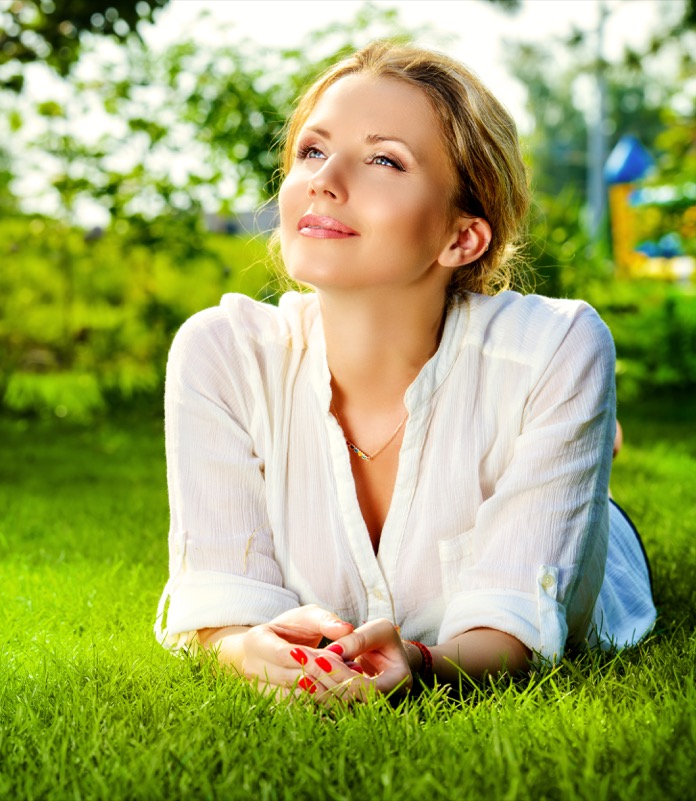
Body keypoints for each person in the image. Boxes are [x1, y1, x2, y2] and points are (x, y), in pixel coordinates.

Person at [154, 41, 656, 707]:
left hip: (585, 533)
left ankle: (580, 447)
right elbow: (219, 598)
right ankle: (581, 435)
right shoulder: (220, 352)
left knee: (553, 455)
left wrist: (426, 664)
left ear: (462, 238)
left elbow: (515, 623)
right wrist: (247, 648)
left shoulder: (558, 345)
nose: (323, 181)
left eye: (384, 159)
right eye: (312, 151)